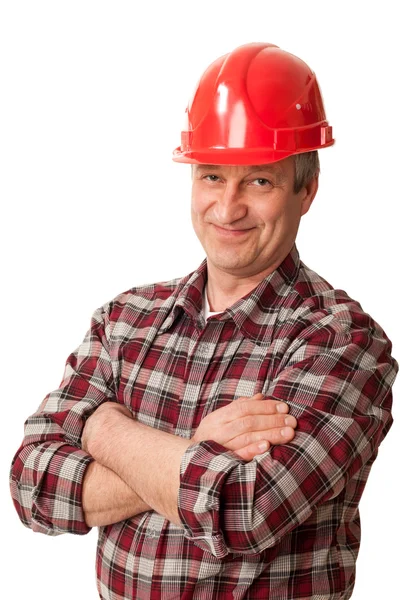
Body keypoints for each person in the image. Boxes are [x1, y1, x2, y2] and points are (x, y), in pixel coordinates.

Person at [10, 42, 398, 600]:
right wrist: (196, 448)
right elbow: (33, 486)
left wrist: (106, 429)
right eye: (212, 177)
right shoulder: (125, 322)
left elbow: (241, 512)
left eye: (259, 181)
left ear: (306, 189)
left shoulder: (341, 343)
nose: (228, 207)